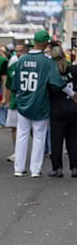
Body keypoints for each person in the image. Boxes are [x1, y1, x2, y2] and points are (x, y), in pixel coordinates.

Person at [11, 30, 76, 178]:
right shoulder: (47, 61)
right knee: (39, 136)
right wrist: (72, 94)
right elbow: (57, 82)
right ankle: (35, 169)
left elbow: (14, 85)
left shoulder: (21, 59)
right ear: (45, 42)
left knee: (22, 135)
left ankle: (18, 168)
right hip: (40, 103)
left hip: (23, 103)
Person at [49, 43, 77, 177]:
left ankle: (57, 168)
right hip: (73, 107)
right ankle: (75, 167)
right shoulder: (73, 69)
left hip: (57, 108)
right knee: (73, 140)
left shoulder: (52, 71)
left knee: (56, 140)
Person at [3, 42, 28, 163]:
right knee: (14, 127)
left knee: (32, 129)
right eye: (17, 51)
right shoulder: (13, 67)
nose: (18, 54)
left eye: (21, 51)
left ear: (26, 51)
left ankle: (43, 149)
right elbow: (8, 85)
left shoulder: (30, 66)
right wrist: (6, 100)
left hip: (28, 102)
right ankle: (17, 151)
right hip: (14, 102)